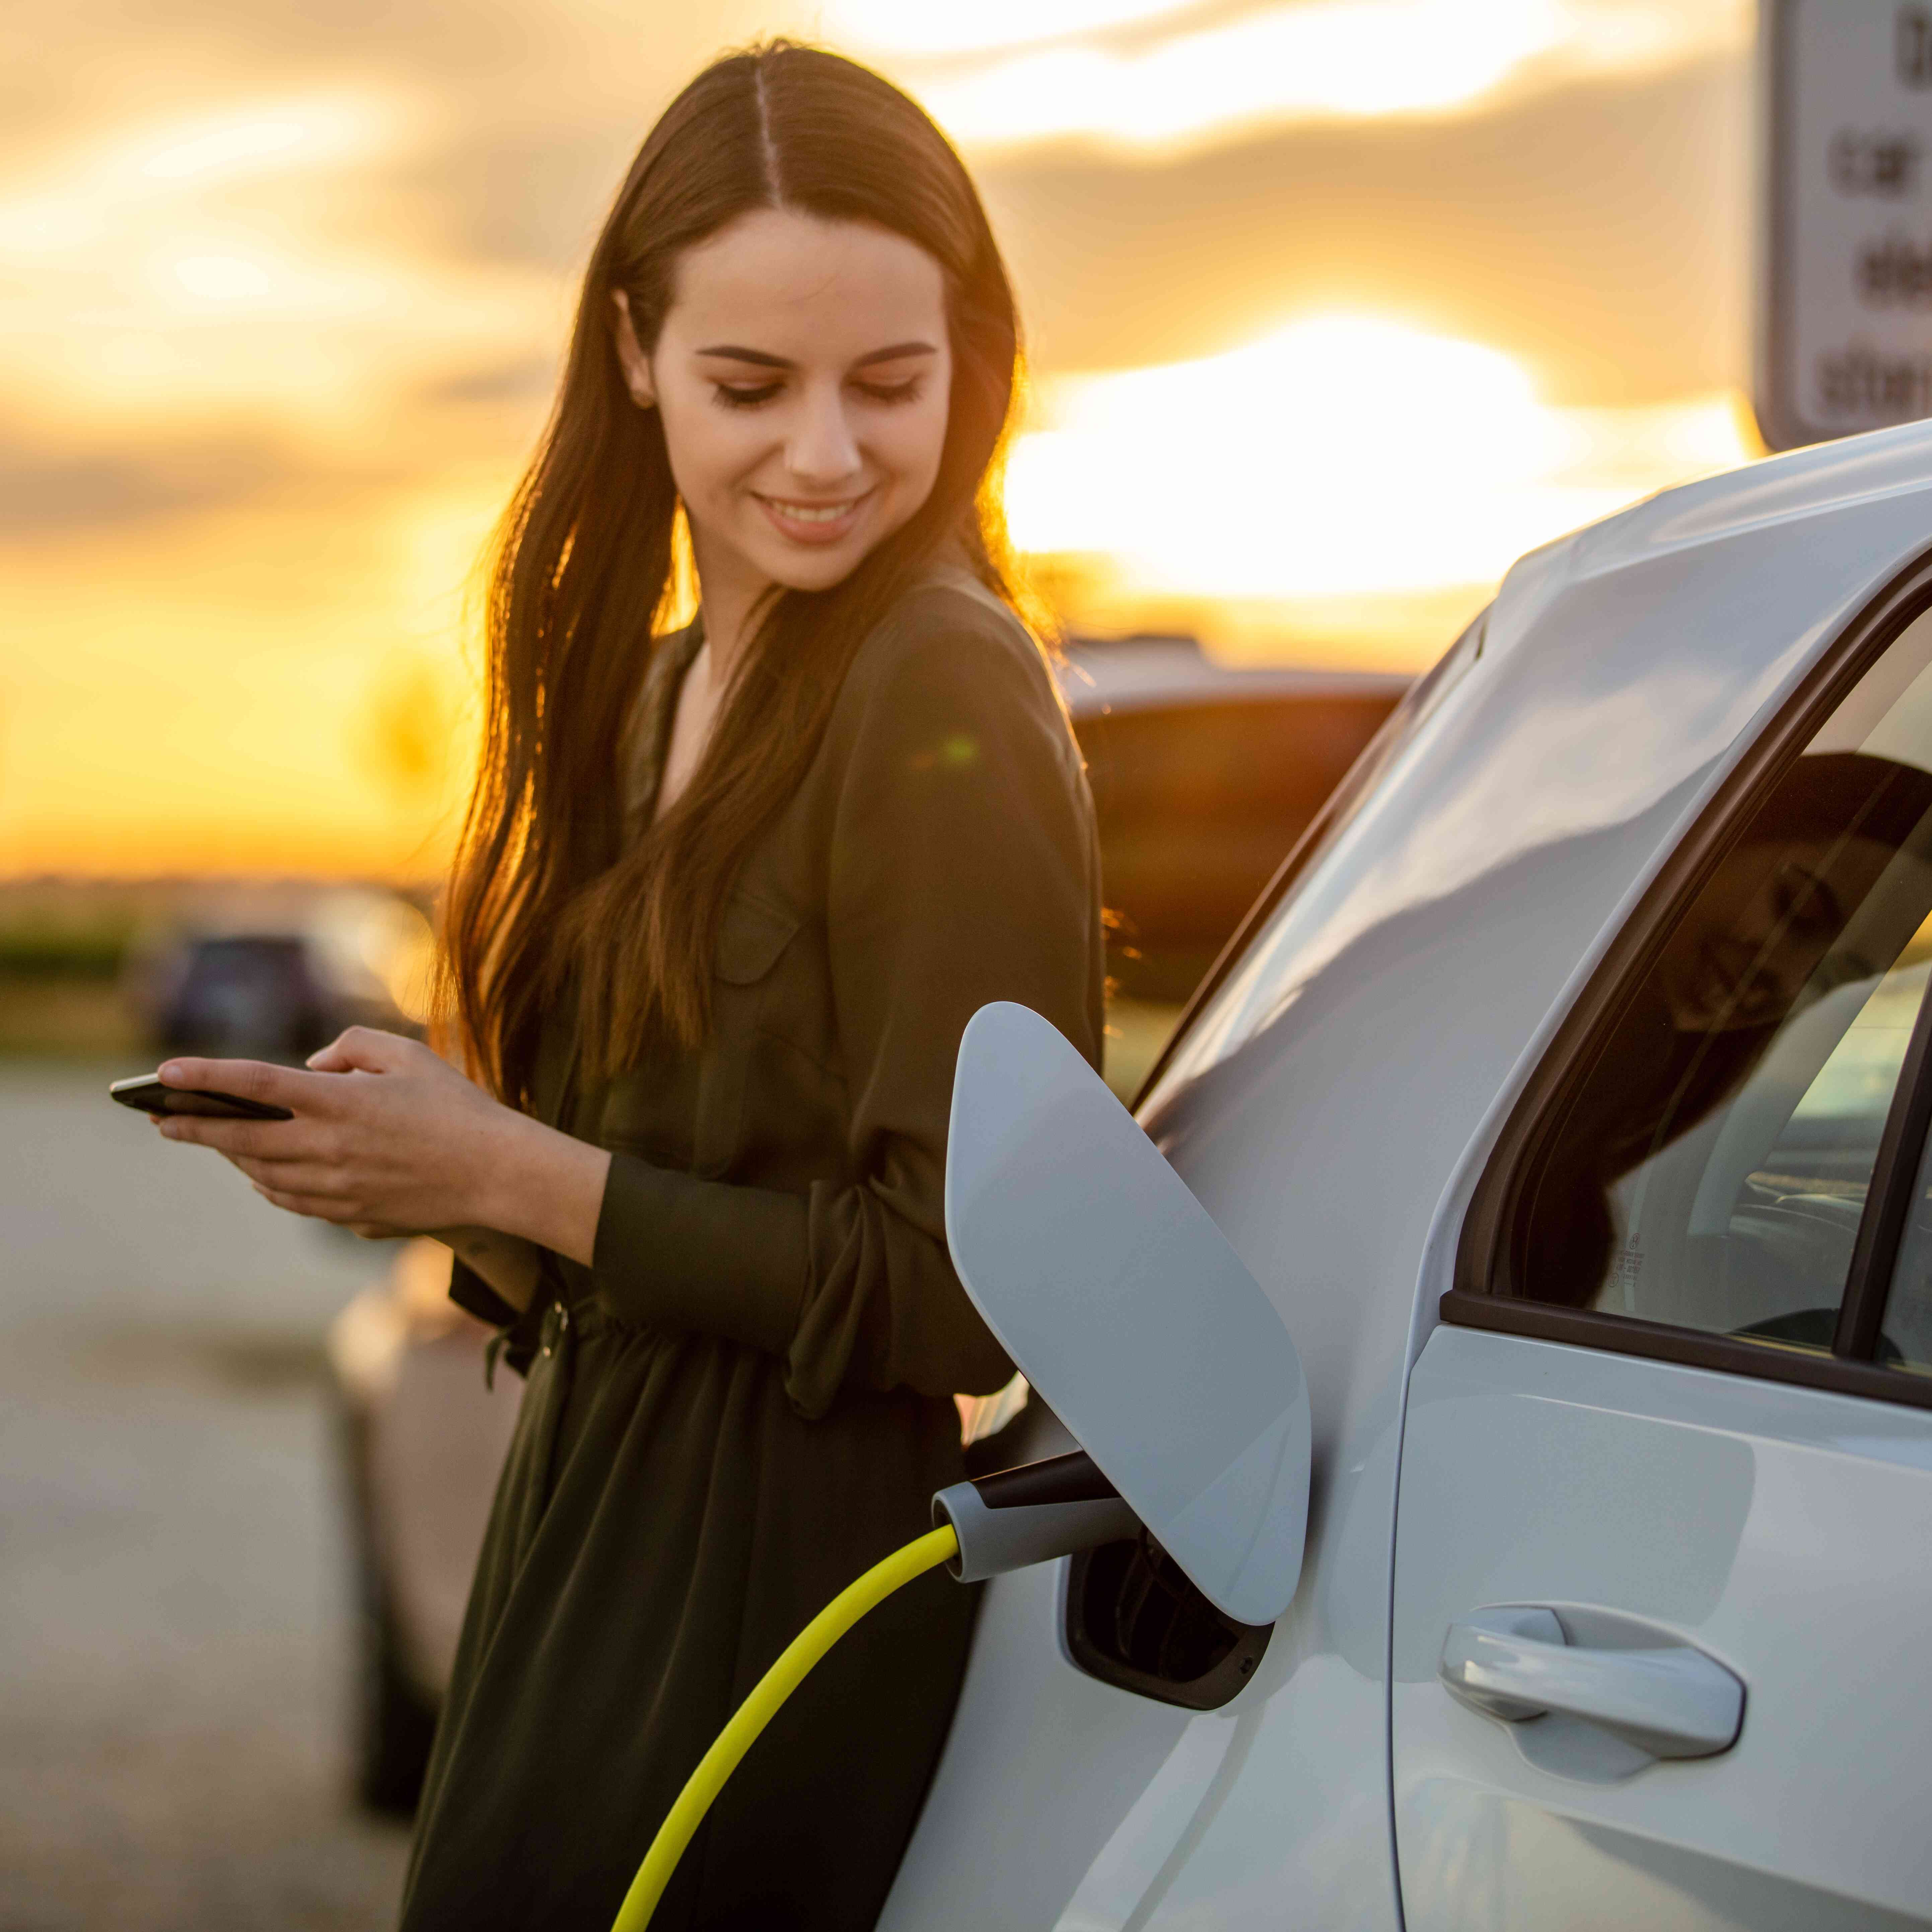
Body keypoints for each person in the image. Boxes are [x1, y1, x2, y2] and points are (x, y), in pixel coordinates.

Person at [149, 42, 1103, 1930]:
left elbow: (965, 1295)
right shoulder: (648, 694)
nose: (825, 455)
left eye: (889, 385)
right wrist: (418, 1166)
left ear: (968, 368)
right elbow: (637, 1199)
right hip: (579, 1524)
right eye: (754, 384)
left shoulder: (942, 684)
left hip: (781, 1594)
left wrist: (508, 1177)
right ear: (635, 353)